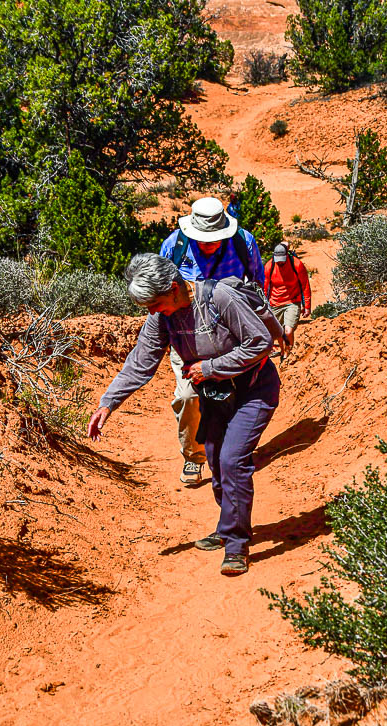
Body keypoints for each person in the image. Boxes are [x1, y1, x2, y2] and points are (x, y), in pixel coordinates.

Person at [87, 253, 280, 576]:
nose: (151, 312)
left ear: (175, 288)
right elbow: (140, 362)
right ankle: (228, 524)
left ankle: (236, 545)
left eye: (155, 303)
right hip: (216, 396)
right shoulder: (162, 318)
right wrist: (108, 403)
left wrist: (211, 367)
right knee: (217, 460)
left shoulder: (220, 297)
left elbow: (261, 342)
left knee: (233, 460)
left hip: (254, 389)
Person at [160, 196, 264, 485]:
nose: (209, 243)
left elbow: (257, 286)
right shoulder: (174, 247)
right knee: (188, 397)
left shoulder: (244, 242)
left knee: (236, 395)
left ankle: (231, 453)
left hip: (232, 338)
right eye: (204, 239)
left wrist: (264, 330)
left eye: (215, 238)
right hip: (188, 338)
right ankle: (194, 456)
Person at [263, 242, 312, 353]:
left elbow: (305, 286)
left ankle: (289, 353)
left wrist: (307, 306)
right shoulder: (269, 267)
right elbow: (265, 289)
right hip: (275, 303)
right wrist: (264, 306)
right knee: (278, 332)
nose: (280, 263)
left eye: (282, 260)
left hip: (292, 301)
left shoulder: (297, 265)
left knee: (288, 331)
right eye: (277, 260)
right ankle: (283, 353)